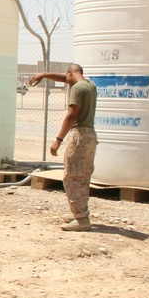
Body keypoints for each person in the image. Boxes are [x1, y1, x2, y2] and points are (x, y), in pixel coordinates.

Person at [29, 64, 98, 232]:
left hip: (79, 136)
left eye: (66, 77)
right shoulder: (90, 85)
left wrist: (58, 140)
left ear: (69, 73)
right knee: (82, 176)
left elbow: (71, 114)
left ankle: (81, 219)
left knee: (72, 177)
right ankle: (79, 213)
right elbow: (67, 79)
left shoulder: (77, 89)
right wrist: (45, 74)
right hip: (90, 135)